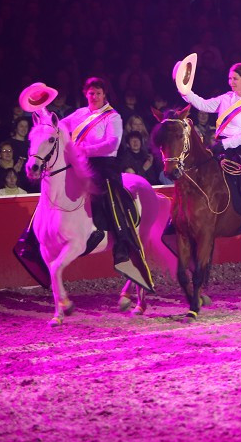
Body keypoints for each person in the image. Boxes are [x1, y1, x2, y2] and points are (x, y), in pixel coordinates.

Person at [15, 77, 154, 290]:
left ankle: (122, 240)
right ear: (85, 94)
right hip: (78, 164)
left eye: (98, 93)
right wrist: (42, 109)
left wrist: (83, 150)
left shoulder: (113, 117)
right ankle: (32, 239)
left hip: (103, 166)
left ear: (104, 95)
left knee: (109, 196)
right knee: (50, 191)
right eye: (91, 93)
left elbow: (112, 144)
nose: (94, 97)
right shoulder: (80, 114)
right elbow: (58, 128)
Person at [180, 62, 241, 281]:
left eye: (235, 79)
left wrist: (225, 145)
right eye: (230, 78)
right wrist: (185, 92)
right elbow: (203, 105)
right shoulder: (226, 98)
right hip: (220, 148)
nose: (231, 82)